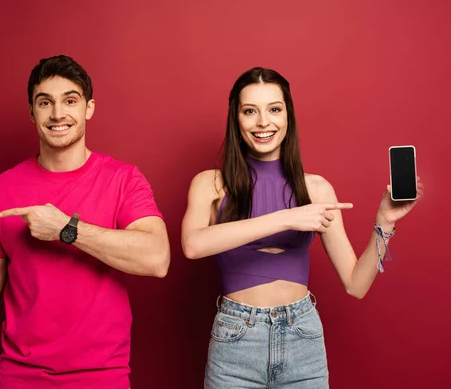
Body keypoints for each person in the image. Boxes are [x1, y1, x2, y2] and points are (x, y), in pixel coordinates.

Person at [0, 55, 170, 389]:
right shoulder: (1, 189)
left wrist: (66, 229)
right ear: (31, 112)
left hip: (101, 378)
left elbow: (157, 259)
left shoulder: (123, 179)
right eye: (45, 102)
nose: (57, 114)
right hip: (19, 378)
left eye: (70, 100)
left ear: (89, 108)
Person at [180, 67, 423, 388]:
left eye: (274, 110)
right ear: (236, 120)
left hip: (302, 335)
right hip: (236, 337)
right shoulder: (211, 183)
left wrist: (384, 223)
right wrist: (289, 217)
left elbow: (356, 284)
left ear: (288, 118)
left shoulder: (317, 189)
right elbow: (193, 245)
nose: (263, 122)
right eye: (250, 111)